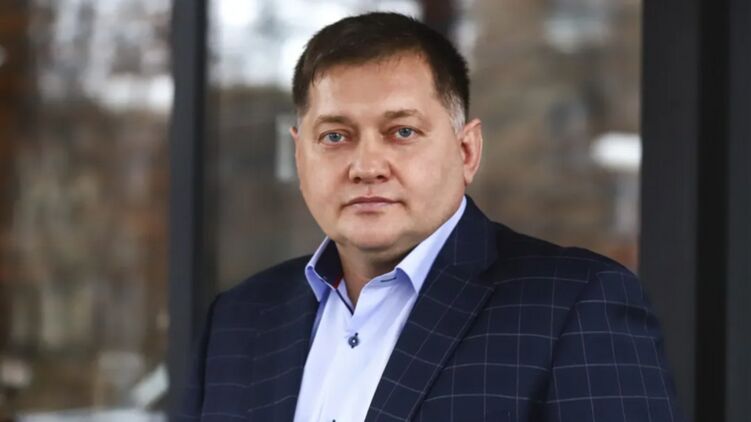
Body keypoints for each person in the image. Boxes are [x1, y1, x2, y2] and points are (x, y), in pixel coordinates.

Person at [180, 12, 683, 422]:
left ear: (467, 151)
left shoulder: (575, 307)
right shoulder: (239, 320)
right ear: (298, 155)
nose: (367, 166)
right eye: (335, 136)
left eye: (402, 132)